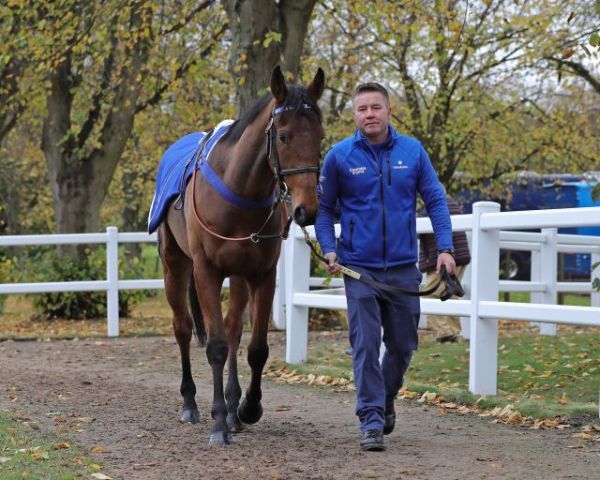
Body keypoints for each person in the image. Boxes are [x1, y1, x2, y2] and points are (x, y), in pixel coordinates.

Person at [315, 82, 455, 451]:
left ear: (389, 111)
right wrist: (329, 248)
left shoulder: (413, 151)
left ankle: (386, 395)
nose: (369, 114)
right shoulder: (339, 157)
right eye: (362, 109)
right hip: (358, 269)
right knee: (364, 344)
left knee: (404, 344)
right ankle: (371, 420)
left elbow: (436, 201)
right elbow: (324, 210)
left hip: (402, 268)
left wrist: (445, 248)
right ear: (355, 115)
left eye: (376, 107)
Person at [419, 195, 471, 343]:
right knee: (450, 294)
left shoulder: (433, 205)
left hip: (445, 257)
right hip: (460, 255)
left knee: (429, 294)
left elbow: (418, 224)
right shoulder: (451, 203)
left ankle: (444, 333)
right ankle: (454, 332)